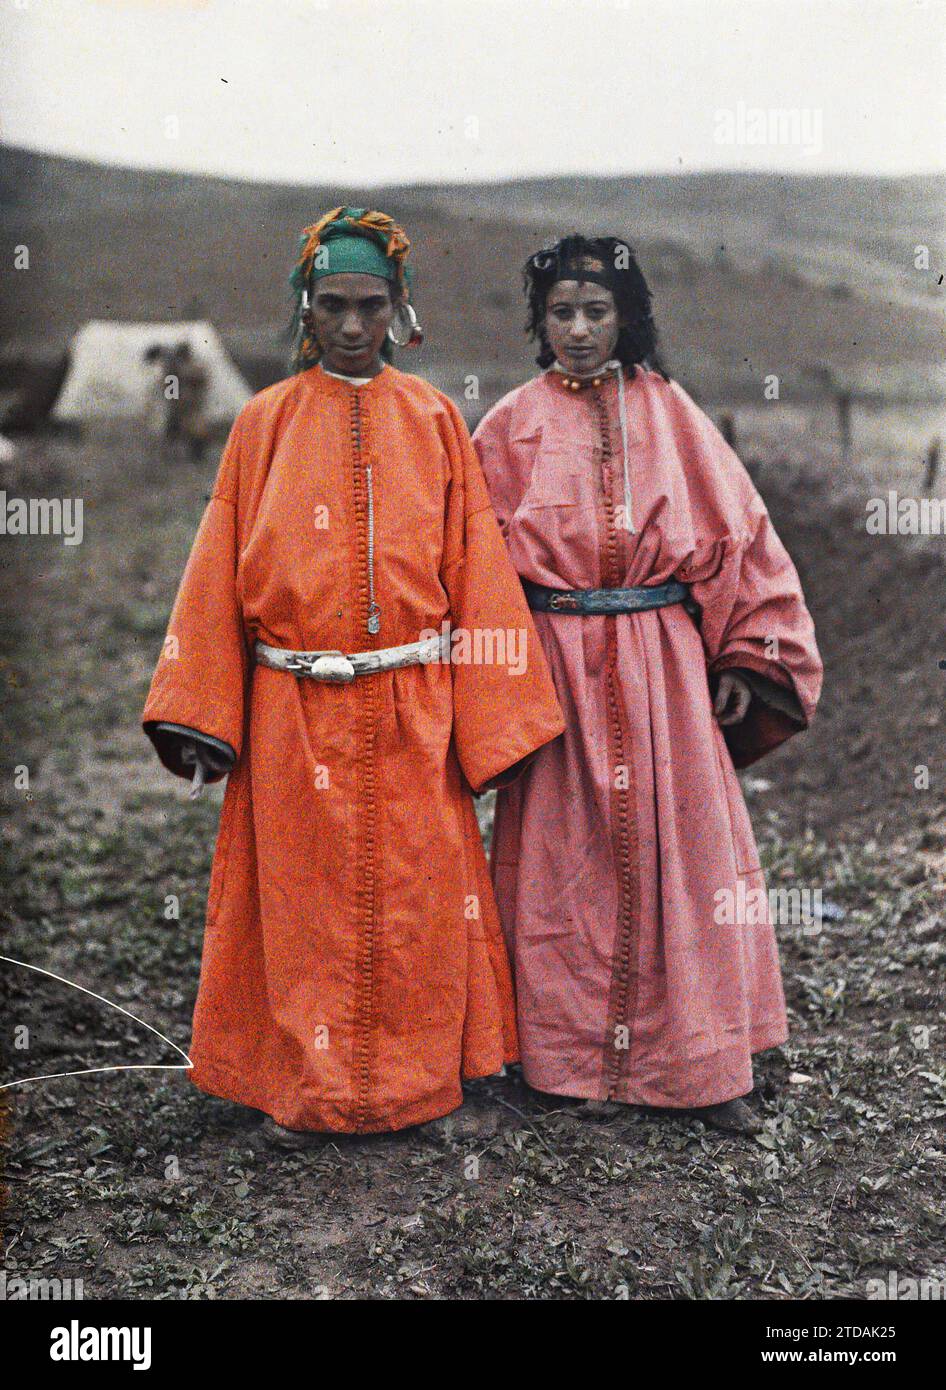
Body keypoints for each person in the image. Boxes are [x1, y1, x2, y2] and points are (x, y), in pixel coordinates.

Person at [141, 207, 565, 1138]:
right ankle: (306, 1092)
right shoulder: (264, 424)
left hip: (414, 707)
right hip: (292, 712)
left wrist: (495, 718)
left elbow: (478, 572)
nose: (350, 325)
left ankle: (421, 1088)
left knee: (418, 902)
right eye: (331, 304)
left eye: (370, 305)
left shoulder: (436, 420)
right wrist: (199, 711)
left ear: (398, 309)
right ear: (306, 309)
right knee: (300, 911)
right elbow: (215, 568)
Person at [472, 235, 823, 1134]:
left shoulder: (673, 416)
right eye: (562, 314)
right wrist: (492, 680)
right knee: (561, 868)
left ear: (626, 318)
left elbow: (746, 538)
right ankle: (562, 1067)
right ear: (539, 323)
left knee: (686, 861)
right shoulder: (509, 425)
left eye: (597, 313)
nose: (580, 330)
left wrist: (747, 654)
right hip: (555, 672)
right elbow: (467, 563)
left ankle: (703, 1065)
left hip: (664, 669)